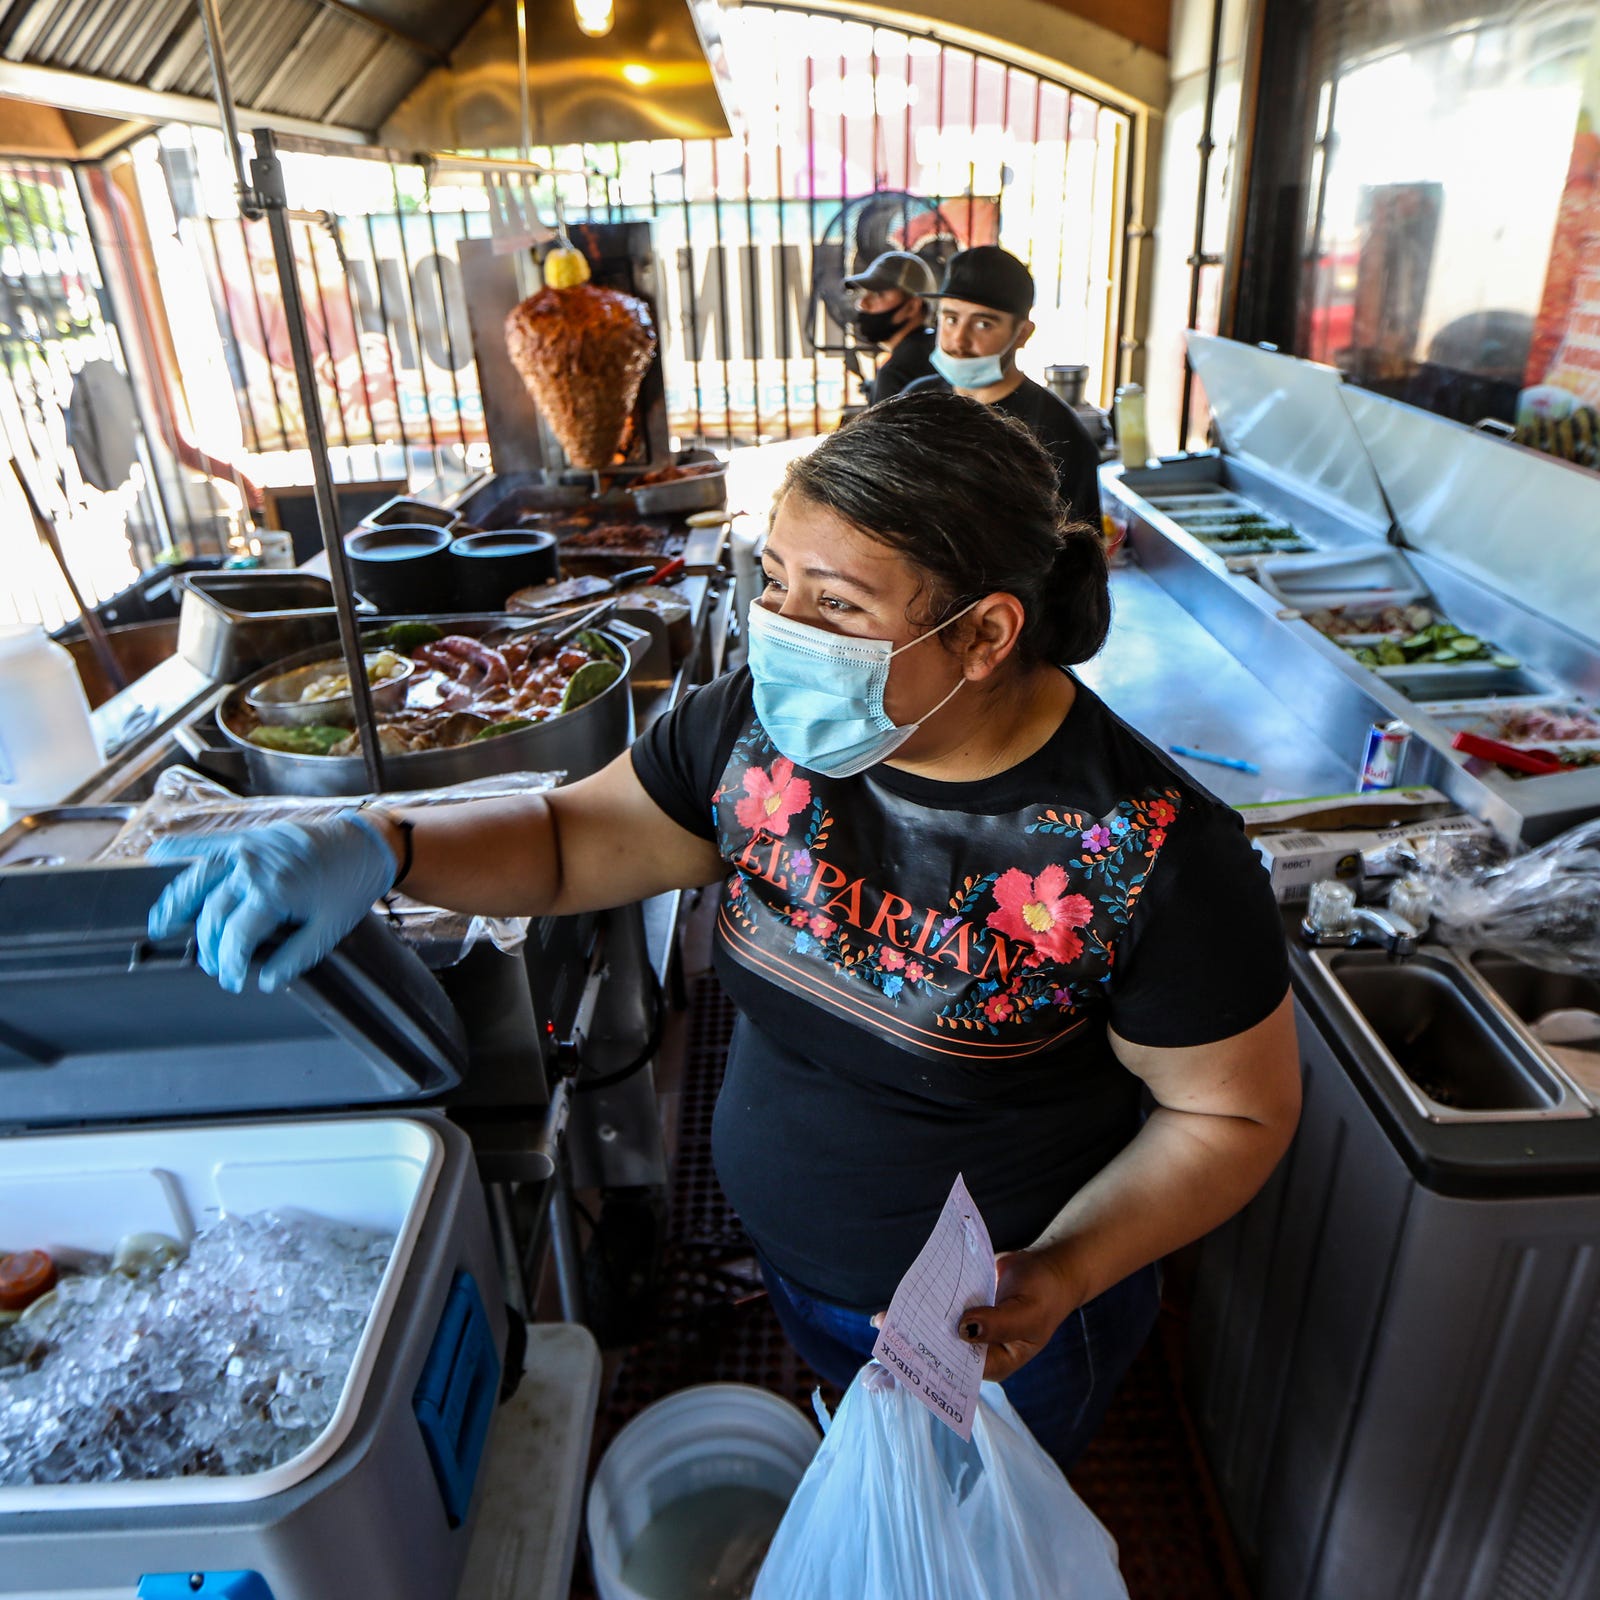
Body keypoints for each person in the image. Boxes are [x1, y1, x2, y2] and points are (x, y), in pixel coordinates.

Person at [147, 389, 1300, 1474]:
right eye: (777, 582)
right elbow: (565, 843)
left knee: (965, 1541)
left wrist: (1061, 1272)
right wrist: (387, 841)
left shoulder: (1144, 853)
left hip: (1001, 1324)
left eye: (838, 606)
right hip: (804, 1279)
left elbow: (1231, 1112)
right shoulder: (757, 731)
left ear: (987, 631)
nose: (785, 633)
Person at [906, 245, 1102, 526]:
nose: (959, 340)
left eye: (983, 324)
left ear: (1022, 333)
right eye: (951, 319)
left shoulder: (1057, 433)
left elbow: (1078, 552)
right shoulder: (913, 402)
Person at [844, 250, 938, 403]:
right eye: (865, 293)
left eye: (878, 294)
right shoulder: (939, 353)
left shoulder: (895, 373)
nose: (862, 303)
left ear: (913, 306)